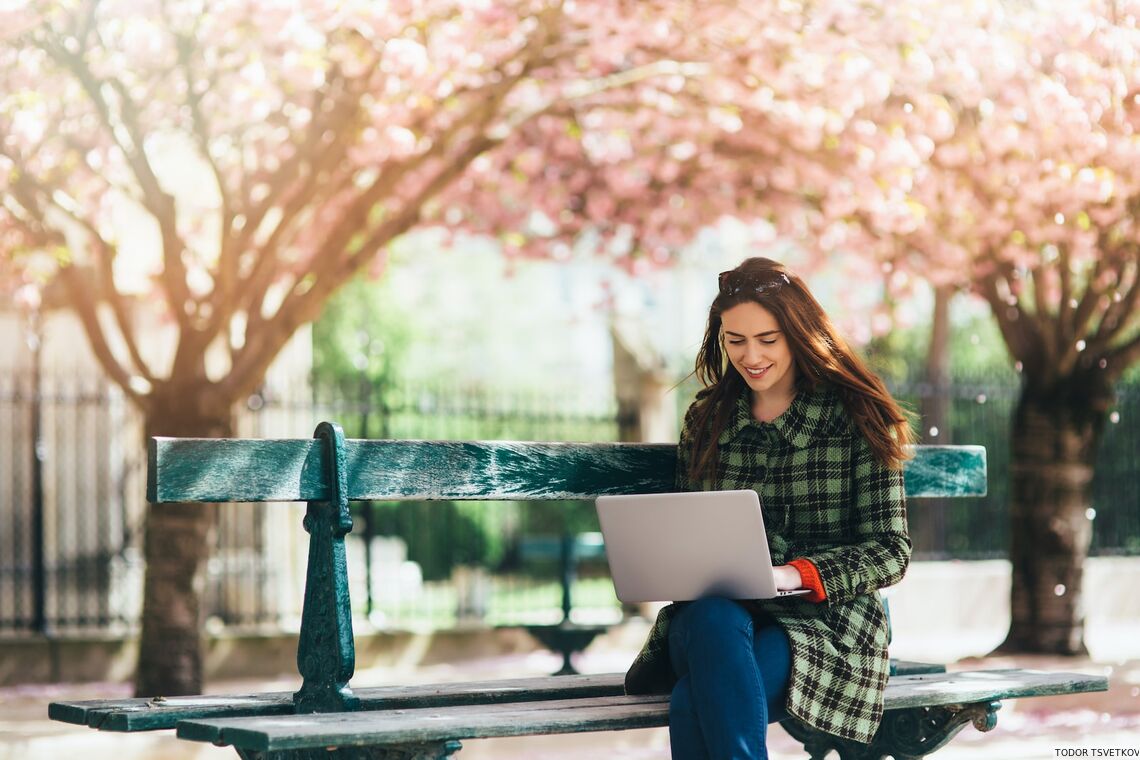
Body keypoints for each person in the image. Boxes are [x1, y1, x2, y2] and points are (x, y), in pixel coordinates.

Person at [624, 256, 914, 759]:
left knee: (693, 699)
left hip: (823, 624)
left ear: (798, 334)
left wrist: (793, 574)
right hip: (710, 620)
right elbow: (688, 531)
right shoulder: (707, 418)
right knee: (712, 620)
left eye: (767, 340)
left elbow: (891, 551)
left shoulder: (857, 417)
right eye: (735, 340)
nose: (750, 356)